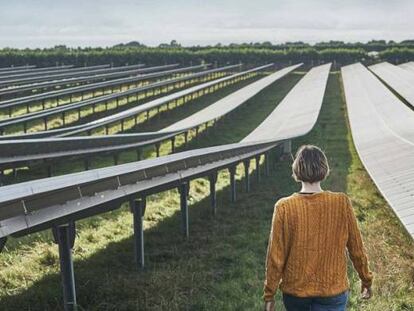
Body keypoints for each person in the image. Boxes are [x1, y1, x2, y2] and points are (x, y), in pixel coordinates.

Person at [263, 144, 373, 311]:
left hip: (295, 295)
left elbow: (275, 257)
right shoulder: (341, 203)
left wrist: (269, 295)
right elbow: (356, 248)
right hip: (332, 292)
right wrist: (366, 279)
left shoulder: (284, 207)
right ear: (324, 169)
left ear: (296, 170)